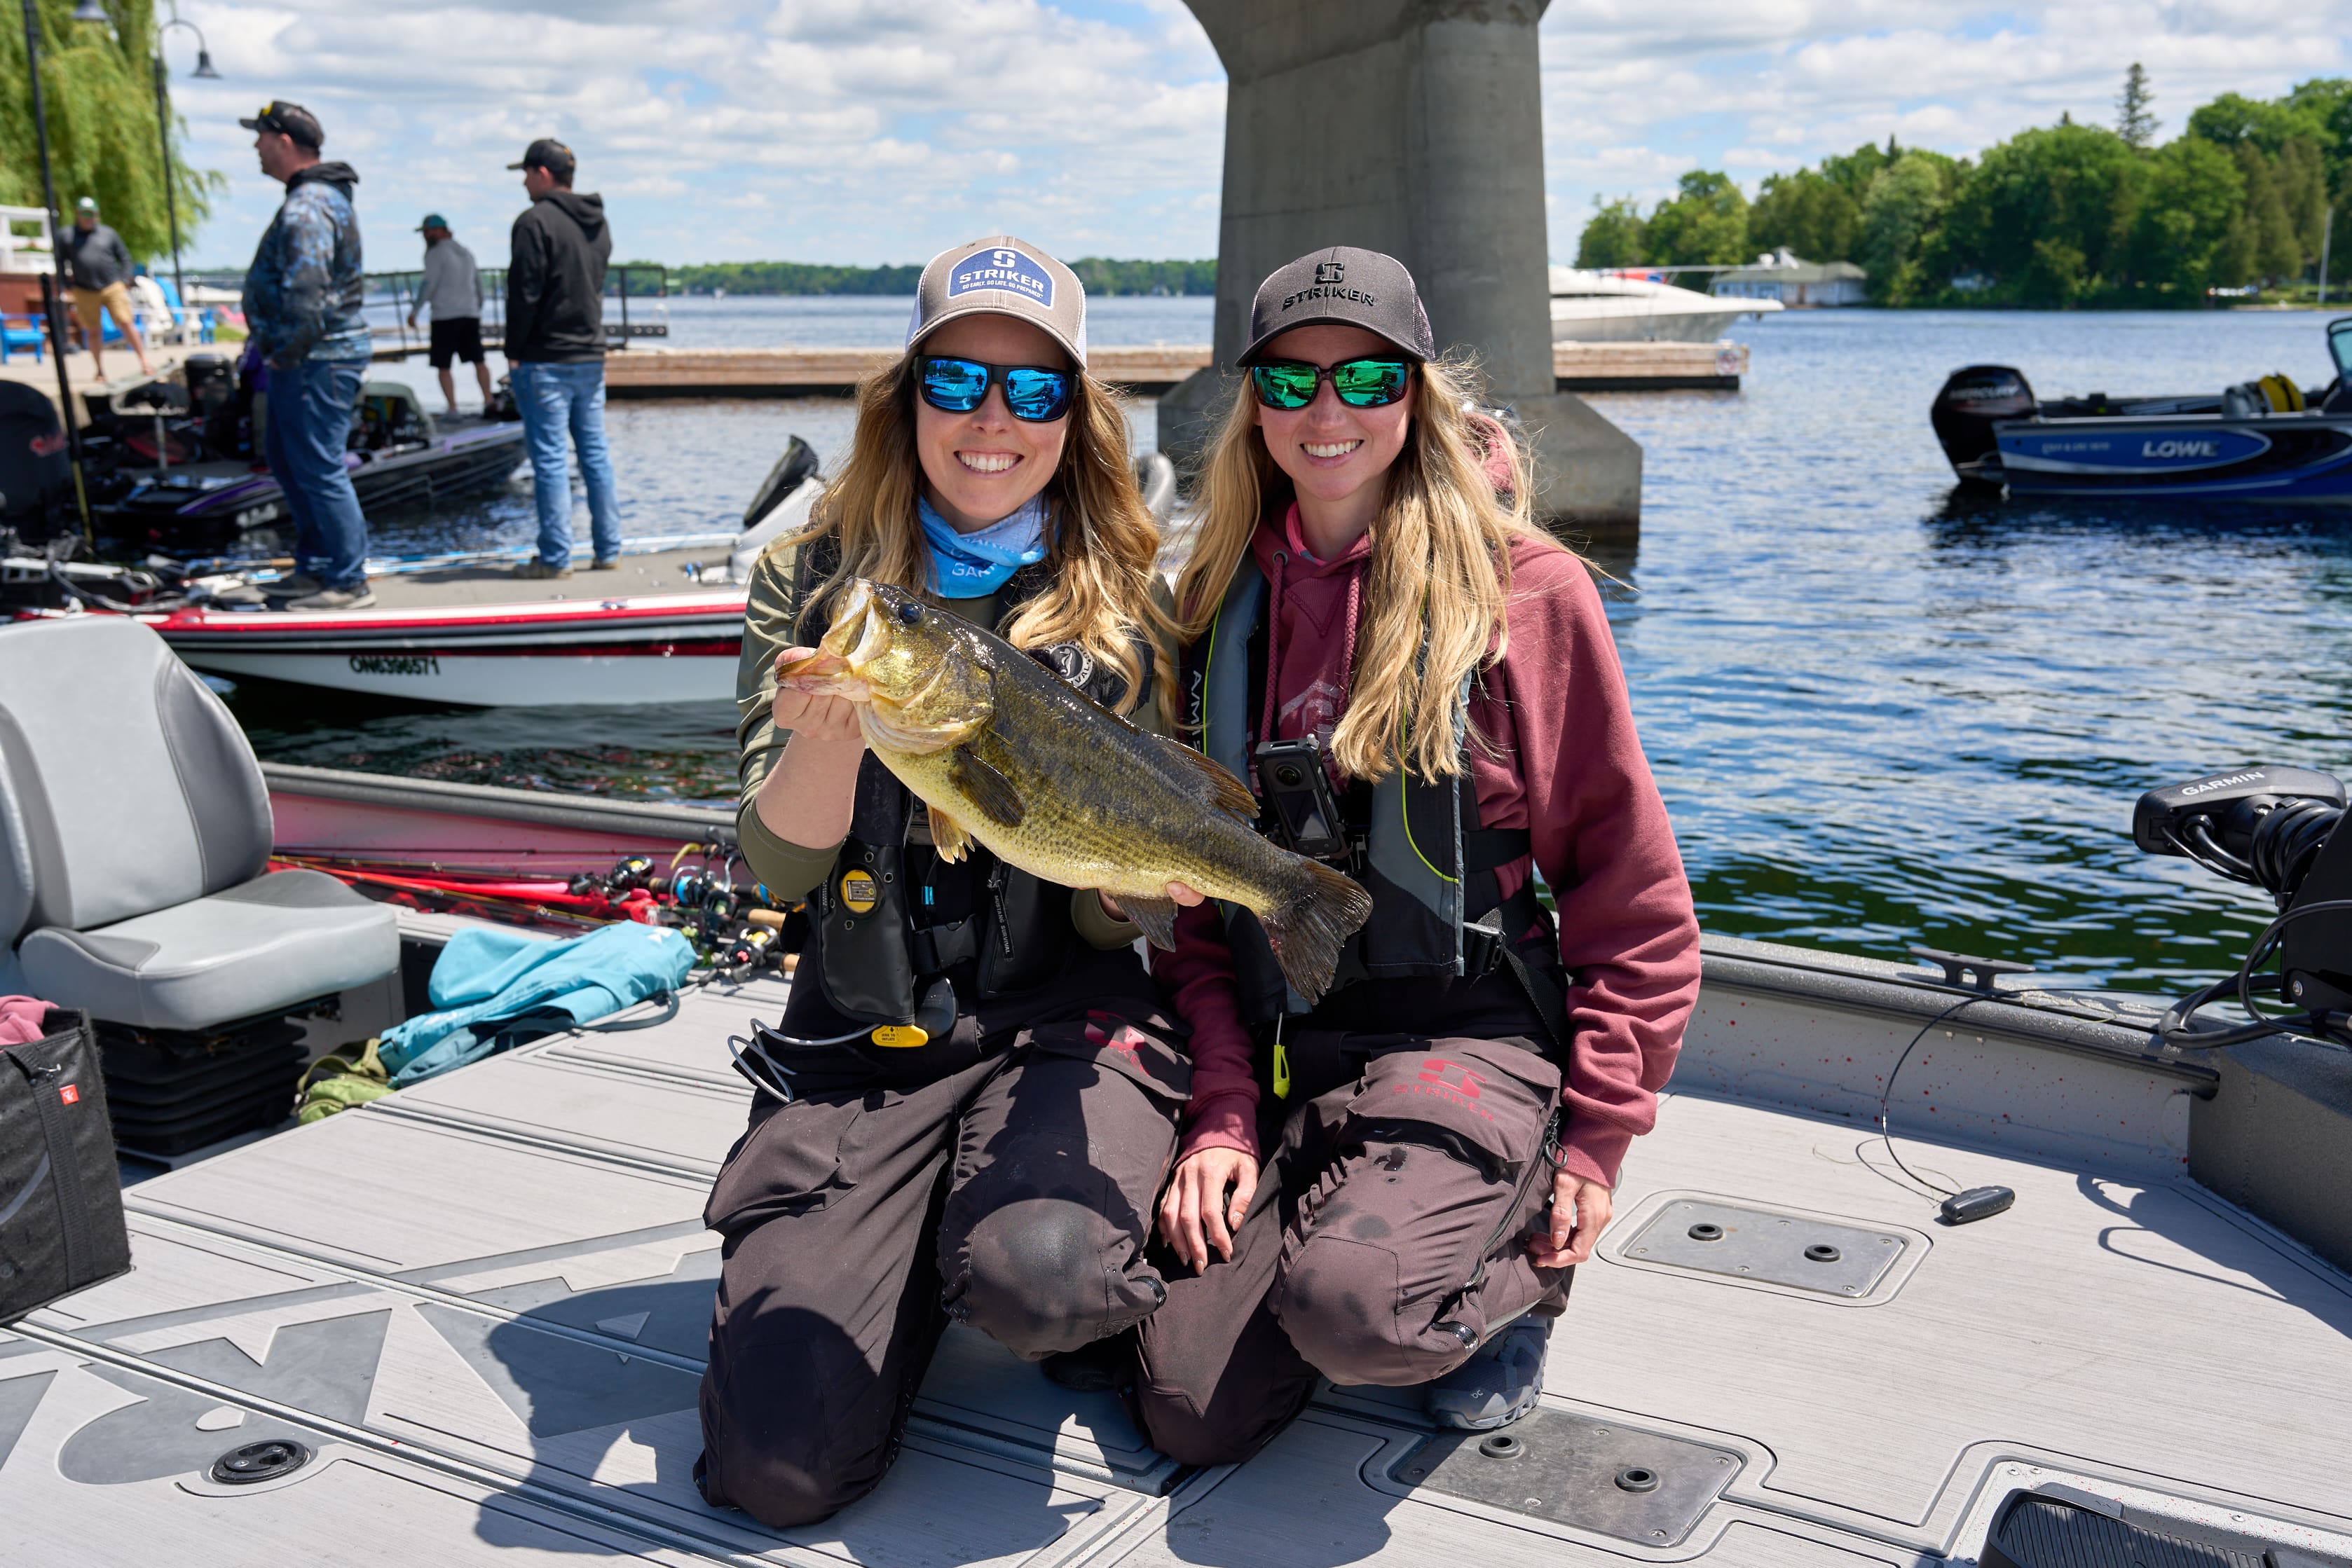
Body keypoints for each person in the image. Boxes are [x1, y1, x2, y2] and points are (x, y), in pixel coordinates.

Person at [1128, 247, 1702, 1461]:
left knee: (1361, 1315)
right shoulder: (1213, 597)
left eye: (1365, 378)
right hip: (1292, 1045)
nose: (1326, 412)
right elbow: (1199, 920)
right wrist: (1224, 1111)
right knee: (1185, 1406)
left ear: (1417, 392)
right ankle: (1347, 1239)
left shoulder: (1529, 593)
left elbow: (1632, 900)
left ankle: (1511, 1285)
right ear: (1254, 405)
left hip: (1465, 1033)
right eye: (1289, 383)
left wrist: (1600, 1134)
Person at [697, 236, 1192, 1527]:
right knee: (778, 1462)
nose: (990, 420)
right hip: (865, 1041)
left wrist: (1141, 874)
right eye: (956, 380)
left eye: (1033, 393)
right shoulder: (808, 584)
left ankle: (1005, 1243)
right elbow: (778, 861)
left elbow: (1103, 907)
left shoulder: (1132, 602)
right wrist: (826, 741)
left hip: (1060, 1027)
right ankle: (900, 1237)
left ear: (1073, 421)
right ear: (903, 395)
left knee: (1046, 1277)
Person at [238, 100, 375, 611]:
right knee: (288, 461)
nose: (256, 146)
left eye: (261, 137)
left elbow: (309, 292)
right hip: (308, 358)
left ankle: (347, 580)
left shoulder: (309, 205)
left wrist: (284, 352)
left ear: (285, 142)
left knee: (317, 467)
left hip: (317, 360)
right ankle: (316, 566)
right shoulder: (313, 198)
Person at [503, 139, 619, 578]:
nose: (524, 182)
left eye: (527, 173)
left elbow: (524, 295)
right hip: (589, 354)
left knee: (550, 460)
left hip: (545, 358)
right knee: (595, 454)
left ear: (544, 174)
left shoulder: (534, 221)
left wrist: (513, 352)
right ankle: (608, 551)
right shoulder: (598, 221)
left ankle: (555, 560)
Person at [406, 214, 491, 415]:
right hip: (470, 314)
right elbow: (478, 285)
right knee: (479, 360)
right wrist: (477, 307)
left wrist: (415, 311)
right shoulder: (466, 253)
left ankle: (452, 408)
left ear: (441, 231)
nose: (426, 236)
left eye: (429, 231)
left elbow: (428, 284)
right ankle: (489, 401)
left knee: (443, 365)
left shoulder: (435, 254)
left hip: (445, 316)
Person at [62, 198, 155, 382]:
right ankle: (99, 371)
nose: (89, 218)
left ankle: (145, 362)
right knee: (93, 330)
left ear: (97, 214)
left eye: (92, 214)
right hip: (84, 289)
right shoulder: (66, 236)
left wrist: (123, 280)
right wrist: (67, 285)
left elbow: (125, 258)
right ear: (78, 214)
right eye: (85, 213)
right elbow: (60, 262)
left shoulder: (108, 234)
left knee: (126, 323)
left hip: (112, 286)